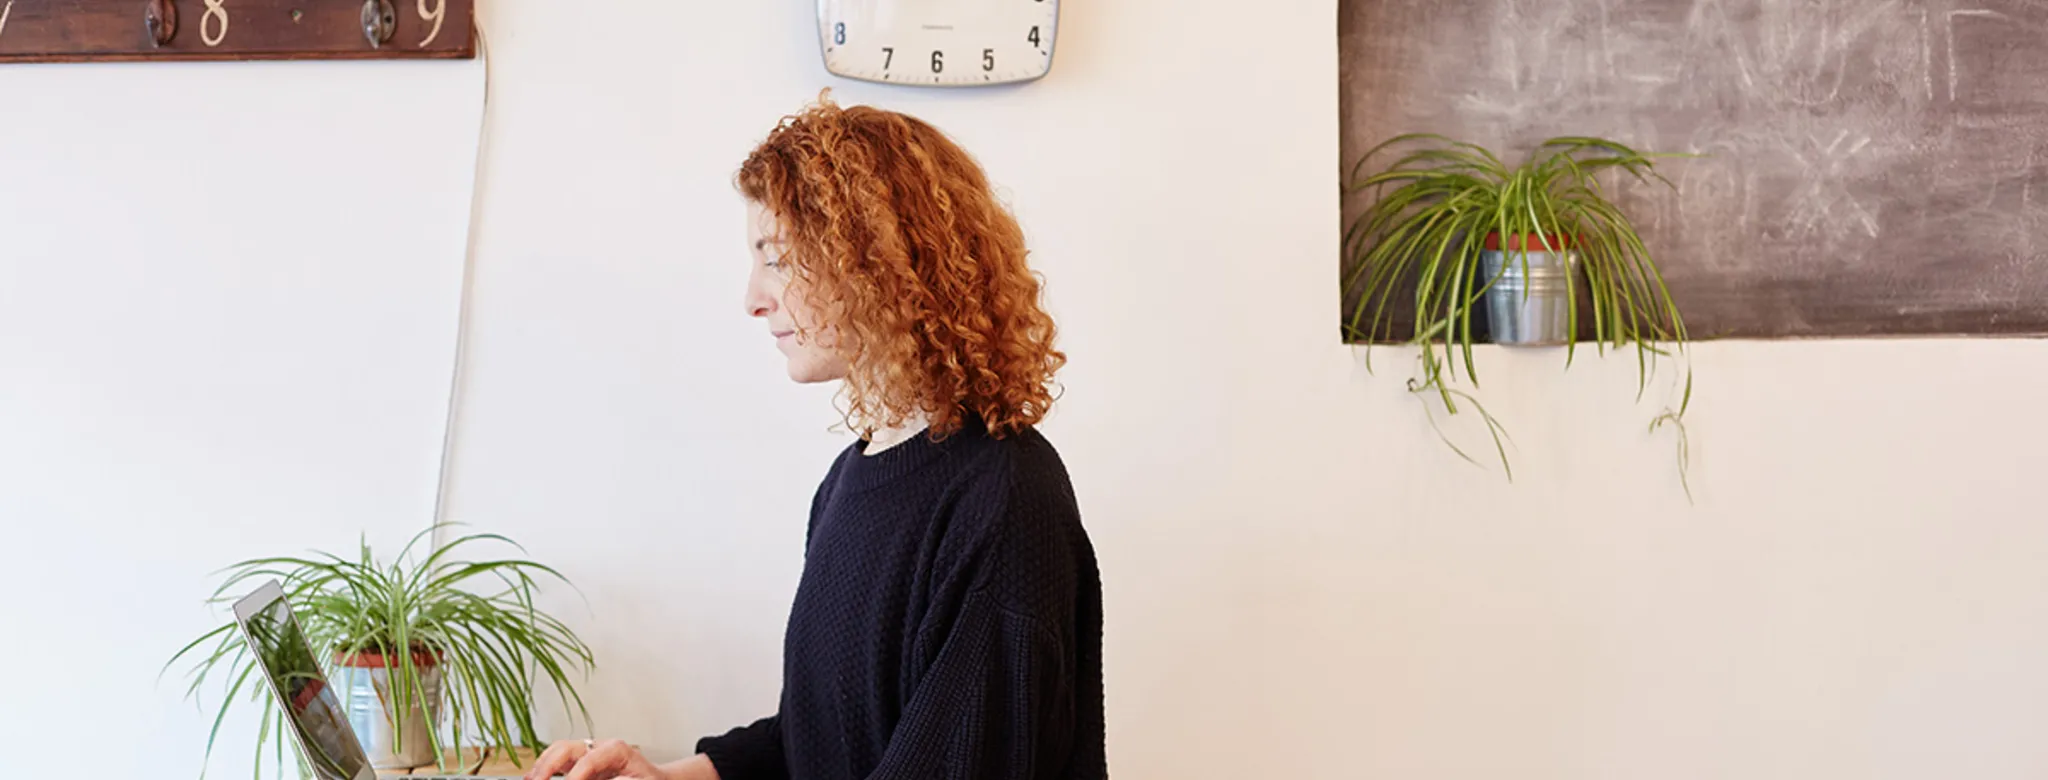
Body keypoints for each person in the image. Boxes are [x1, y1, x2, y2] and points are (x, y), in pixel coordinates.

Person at [523, 95, 1106, 780]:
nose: (753, 297)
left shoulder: (1004, 497)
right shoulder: (850, 480)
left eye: (777, 257)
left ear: (874, 261)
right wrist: (670, 777)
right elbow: (822, 735)